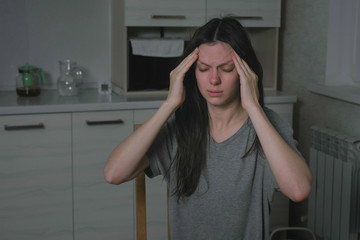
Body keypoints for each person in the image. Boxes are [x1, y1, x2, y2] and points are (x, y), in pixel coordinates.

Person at [104, 17, 313, 240]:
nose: (214, 80)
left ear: (246, 73)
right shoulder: (180, 126)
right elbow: (113, 174)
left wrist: (253, 106)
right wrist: (169, 104)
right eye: (203, 69)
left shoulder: (266, 126)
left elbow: (299, 190)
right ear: (192, 72)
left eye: (227, 68)